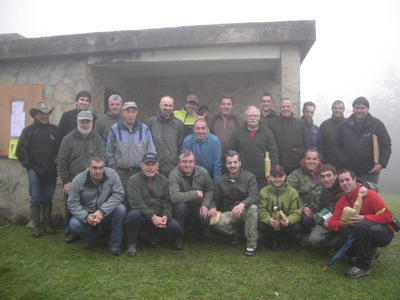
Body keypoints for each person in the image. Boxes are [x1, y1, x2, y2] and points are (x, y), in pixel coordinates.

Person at [328, 169, 394, 278]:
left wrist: (365, 218)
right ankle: (370, 252)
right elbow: (332, 222)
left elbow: (388, 216)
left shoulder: (369, 194)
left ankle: (363, 267)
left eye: (347, 179)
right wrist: (341, 224)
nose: (345, 183)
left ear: (354, 180)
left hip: (383, 231)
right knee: (336, 243)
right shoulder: (343, 200)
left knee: (362, 225)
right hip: (361, 230)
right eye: (341, 181)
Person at [58, 111, 105, 243]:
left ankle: (98, 227)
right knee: (71, 204)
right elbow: (62, 161)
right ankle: (72, 230)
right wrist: (66, 181)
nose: (85, 125)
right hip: (73, 180)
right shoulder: (68, 139)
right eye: (82, 122)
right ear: (77, 122)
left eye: (88, 122)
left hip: (94, 179)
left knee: (97, 202)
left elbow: (102, 157)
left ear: (92, 123)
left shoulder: (97, 138)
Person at [124, 153, 184, 257]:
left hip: (159, 216)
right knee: (133, 215)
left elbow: (167, 202)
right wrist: (152, 217)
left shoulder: (164, 181)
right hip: (142, 216)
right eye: (147, 164)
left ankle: (153, 235)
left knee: (175, 226)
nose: (150, 167)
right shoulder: (133, 180)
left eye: (153, 164)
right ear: (142, 165)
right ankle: (132, 243)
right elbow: (136, 203)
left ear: (158, 166)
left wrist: (165, 216)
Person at [67, 154, 126, 255]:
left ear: (105, 167)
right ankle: (90, 239)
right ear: (87, 167)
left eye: (101, 168)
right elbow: (72, 203)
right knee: (74, 224)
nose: (98, 171)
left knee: (121, 209)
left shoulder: (112, 175)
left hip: (105, 212)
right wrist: (86, 217)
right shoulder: (78, 180)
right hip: (87, 212)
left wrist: (102, 211)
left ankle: (115, 244)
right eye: (94, 168)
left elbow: (119, 195)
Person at [308, 164, 377, 248]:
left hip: (349, 221)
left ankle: (361, 248)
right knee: (314, 239)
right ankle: (335, 245)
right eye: (323, 177)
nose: (326, 179)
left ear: (335, 175)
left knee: (359, 230)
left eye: (329, 175)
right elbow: (314, 211)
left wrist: (365, 186)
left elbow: (375, 187)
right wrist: (323, 223)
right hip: (328, 221)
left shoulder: (346, 185)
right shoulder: (317, 191)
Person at [16, 102, 58, 237]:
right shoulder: (28, 131)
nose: (44, 116)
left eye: (46, 113)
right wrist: (30, 167)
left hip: (51, 170)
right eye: (41, 113)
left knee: (48, 199)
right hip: (35, 171)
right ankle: (36, 227)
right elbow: (20, 151)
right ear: (35, 115)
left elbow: (60, 147)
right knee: (36, 199)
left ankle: (47, 226)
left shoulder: (54, 129)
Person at [209, 151, 259, 256]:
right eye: (230, 163)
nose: (233, 165)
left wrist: (243, 204)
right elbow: (215, 199)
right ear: (226, 165)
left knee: (253, 208)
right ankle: (235, 235)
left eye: (235, 162)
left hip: (246, 212)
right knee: (216, 221)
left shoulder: (249, 177)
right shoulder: (221, 180)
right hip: (231, 214)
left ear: (240, 163)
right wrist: (213, 207)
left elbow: (254, 196)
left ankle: (251, 244)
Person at [333, 97, 391, 184]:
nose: (359, 110)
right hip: (349, 173)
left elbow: (386, 145)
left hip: (370, 172)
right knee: (350, 197)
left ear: (367, 109)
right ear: (353, 109)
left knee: (369, 197)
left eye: (362, 108)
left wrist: (381, 164)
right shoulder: (344, 125)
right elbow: (335, 145)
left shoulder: (377, 124)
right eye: (356, 108)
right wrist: (343, 161)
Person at [106, 102, 156, 198]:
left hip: (139, 173)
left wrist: (149, 167)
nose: (130, 115)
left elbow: (151, 150)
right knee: (121, 198)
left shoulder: (144, 129)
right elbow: (109, 150)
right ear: (123, 113)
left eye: (133, 112)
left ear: (137, 113)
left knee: (139, 198)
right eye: (128, 112)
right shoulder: (115, 129)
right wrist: (113, 168)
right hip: (120, 173)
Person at [229, 106, 278, 190]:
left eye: (255, 116)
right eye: (250, 116)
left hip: (262, 176)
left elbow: (273, 153)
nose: (252, 118)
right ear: (246, 117)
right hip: (243, 175)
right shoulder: (237, 133)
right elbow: (232, 152)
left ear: (259, 117)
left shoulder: (267, 132)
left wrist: (273, 171)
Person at [169, 150, 214, 240]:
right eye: (184, 162)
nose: (188, 165)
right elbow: (174, 197)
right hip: (182, 206)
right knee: (180, 207)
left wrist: (205, 205)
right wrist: (195, 193)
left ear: (194, 162)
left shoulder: (202, 172)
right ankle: (178, 236)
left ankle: (197, 230)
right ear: (179, 162)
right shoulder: (173, 175)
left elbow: (210, 189)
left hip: (197, 205)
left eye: (190, 162)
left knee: (205, 219)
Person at [258, 165, 302, 250]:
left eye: (280, 176)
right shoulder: (263, 191)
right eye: (274, 176)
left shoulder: (293, 192)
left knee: (296, 227)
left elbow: (297, 212)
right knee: (261, 226)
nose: (277, 179)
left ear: (285, 176)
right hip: (271, 223)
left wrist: (289, 220)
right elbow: (261, 210)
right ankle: (271, 240)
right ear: (270, 177)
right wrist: (269, 220)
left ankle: (284, 241)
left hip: (285, 224)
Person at [287, 149, 323, 245]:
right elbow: (288, 193)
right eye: (309, 158)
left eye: (314, 159)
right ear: (304, 159)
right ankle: (305, 234)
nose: (311, 161)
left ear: (318, 160)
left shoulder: (325, 173)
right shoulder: (296, 174)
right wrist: (303, 207)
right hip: (306, 208)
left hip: (323, 207)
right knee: (305, 220)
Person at [267, 98, 310, 175]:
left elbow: (306, 144)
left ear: (292, 108)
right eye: (283, 107)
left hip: (296, 166)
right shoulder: (272, 123)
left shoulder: (300, 124)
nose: (285, 109)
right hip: (277, 166)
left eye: (288, 106)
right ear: (280, 108)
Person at [145, 96, 184, 177]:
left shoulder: (178, 125)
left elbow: (180, 147)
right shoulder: (151, 122)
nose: (168, 108)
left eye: (170, 106)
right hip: (153, 168)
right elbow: (145, 145)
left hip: (172, 169)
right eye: (165, 105)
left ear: (173, 107)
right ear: (160, 105)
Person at [209, 96, 244, 174]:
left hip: (233, 162)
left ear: (232, 106)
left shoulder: (239, 121)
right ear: (219, 106)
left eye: (228, 104)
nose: (226, 106)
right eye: (223, 104)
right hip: (215, 160)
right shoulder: (211, 120)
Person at [183, 118, 222, 185]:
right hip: (192, 179)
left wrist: (216, 185)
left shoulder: (215, 141)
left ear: (207, 129)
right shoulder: (187, 141)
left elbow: (217, 164)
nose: (200, 131)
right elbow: (185, 163)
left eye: (203, 128)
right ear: (193, 130)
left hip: (210, 178)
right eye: (198, 128)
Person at [320, 100, 345, 167]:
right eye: (335, 108)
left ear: (343, 110)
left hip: (344, 164)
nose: (337, 110)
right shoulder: (324, 125)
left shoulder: (348, 124)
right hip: (327, 163)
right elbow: (320, 144)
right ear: (332, 109)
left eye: (340, 108)